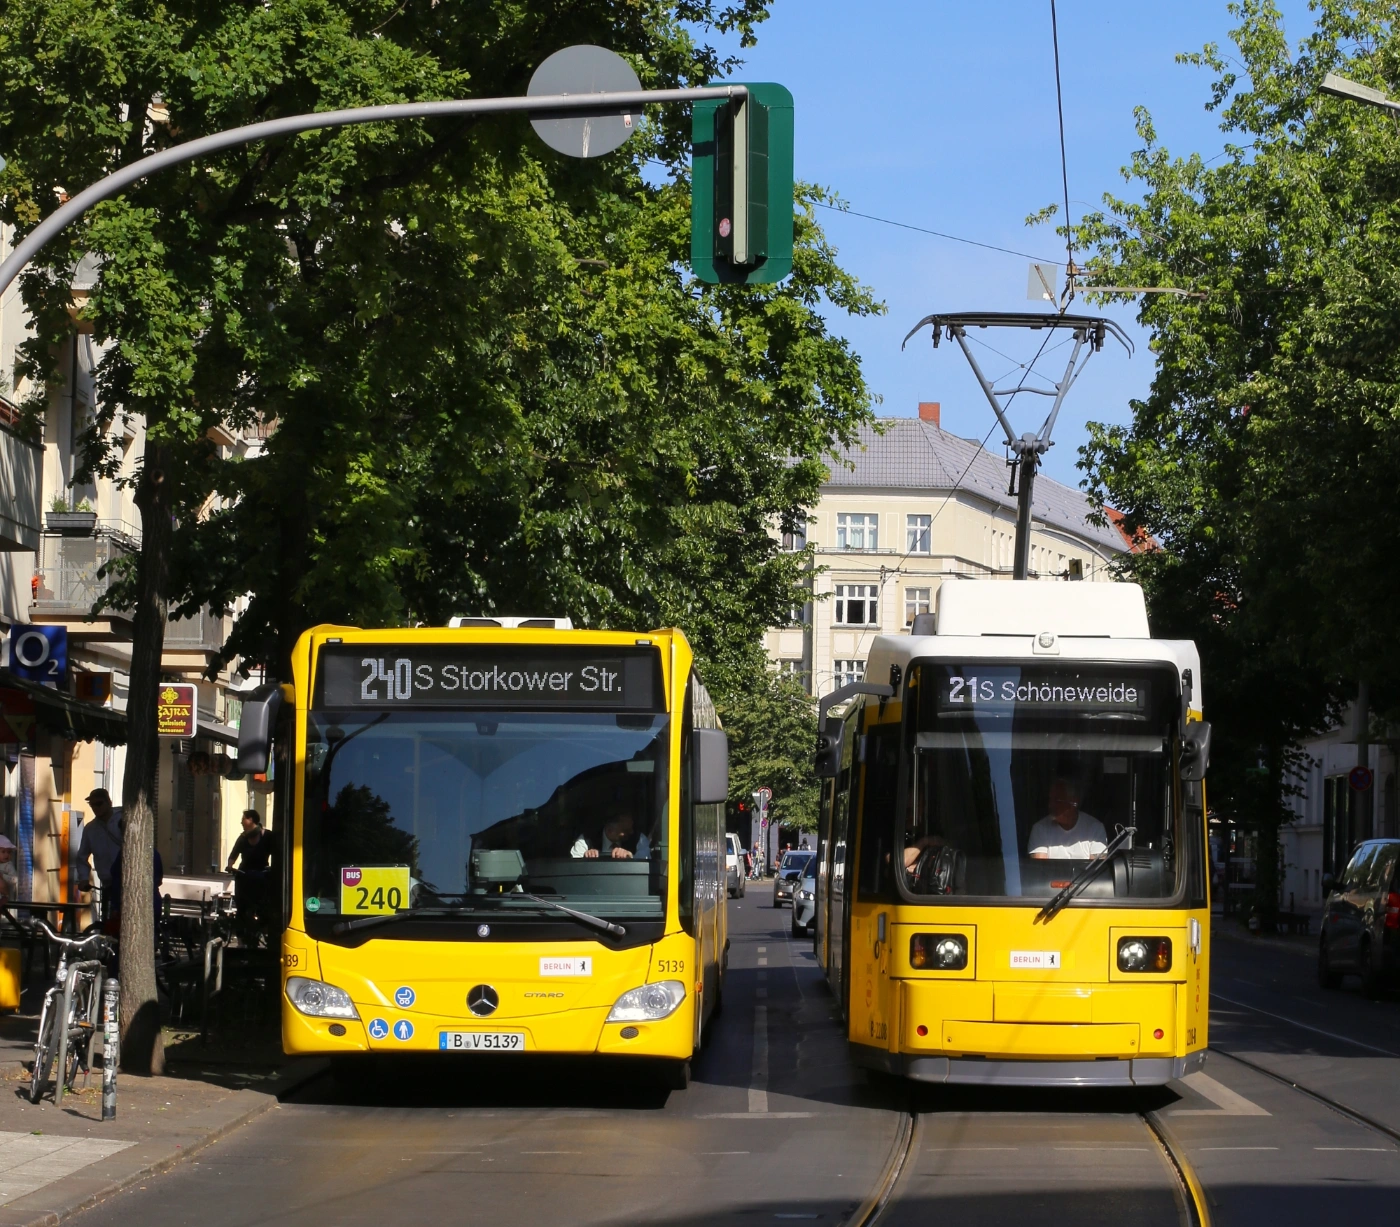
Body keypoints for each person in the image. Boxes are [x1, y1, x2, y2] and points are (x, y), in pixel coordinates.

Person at [1028, 778, 1107, 859]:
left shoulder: (1095, 828)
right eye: (1050, 800)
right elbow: (1041, 868)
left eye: (1057, 800)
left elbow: (1096, 869)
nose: (1051, 805)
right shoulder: (1040, 829)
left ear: (1073, 802)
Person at [227, 810, 275, 935]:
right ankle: (241, 937)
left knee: (265, 904)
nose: (241, 822)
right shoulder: (243, 838)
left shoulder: (268, 836)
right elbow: (234, 854)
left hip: (262, 874)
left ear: (251, 820)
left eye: (243, 819)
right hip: (245, 875)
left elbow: (277, 852)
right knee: (241, 907)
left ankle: (265, 929)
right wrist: (230, 865)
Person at [76, 789, 124, 910]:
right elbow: (81, 857)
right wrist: (83, 879)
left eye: (99, 804)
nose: (96, 808)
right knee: (108, 922)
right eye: (92, 805)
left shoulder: (123, 819)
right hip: (107, 885)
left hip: (127, 883)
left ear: (109, 802)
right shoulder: (90, 829)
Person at [570, 812, 649, 860]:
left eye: (631, 828)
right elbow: (573, 868)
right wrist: (586, 859)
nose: (631, 832)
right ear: (609, 830)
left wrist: (630, 857)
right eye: (625, 831)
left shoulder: (639, 839)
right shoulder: (586, 840)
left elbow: (646, 865)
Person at [0, 834, 18, 903]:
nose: (7, 855)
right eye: (3, 852)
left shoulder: (8, 865)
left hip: (3, 896)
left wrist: (2, 875)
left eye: (9, 852)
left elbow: (14, 879)